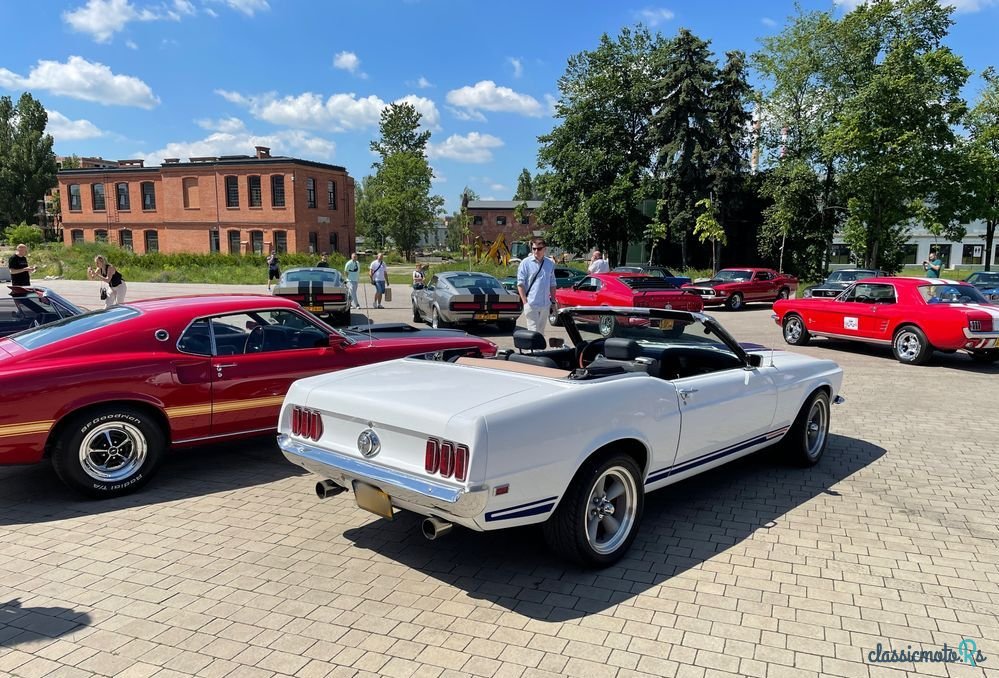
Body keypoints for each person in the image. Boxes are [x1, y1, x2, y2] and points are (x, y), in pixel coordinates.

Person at [517, 237, 557, 335]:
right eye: (534, 248)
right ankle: (532, 350)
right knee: (533, 331)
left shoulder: (550, 263)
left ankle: (539, 350)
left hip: (545, 304)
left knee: (541, 332)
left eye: (539, 249)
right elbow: (520, 284)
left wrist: (553, 301)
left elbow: (552, 284)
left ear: (544, 249)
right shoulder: (525, 263)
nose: (536, 251)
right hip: (531, 303)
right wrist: (525, 302)